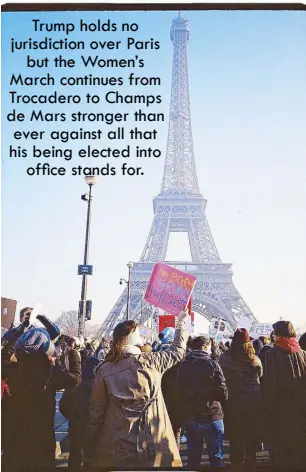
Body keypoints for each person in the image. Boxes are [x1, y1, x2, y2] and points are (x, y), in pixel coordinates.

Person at [83, 310, 189, 468]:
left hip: (117, 443)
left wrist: (90, 445)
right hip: (154, 441)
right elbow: (177, 351)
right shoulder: (153, 361)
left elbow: (96, 412)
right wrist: (182, 324)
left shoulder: (105, 369)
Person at [2, 327, 81, 472]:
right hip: (41, 440)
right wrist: (72, 352)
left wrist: (20, 332)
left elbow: (4, 354)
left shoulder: (10, 368)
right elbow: (75, 379)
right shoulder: (50, 371)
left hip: (14, 438)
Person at [177, 336, 228, 468]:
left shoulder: (184, 364)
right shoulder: (213, 364)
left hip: (192, 416)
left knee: (193, 460)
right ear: (205, 347)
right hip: (213, 415)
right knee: (216, 459)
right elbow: (223, 391)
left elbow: (179, 389)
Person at [263, 321, 306, 471]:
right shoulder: (301, 352)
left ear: (279, 334)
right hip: (300, 405)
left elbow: (271, 384)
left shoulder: (272, 353)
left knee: (282, 442)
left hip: (281, 405)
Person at [219, 328, 263, 470]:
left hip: (234, 401)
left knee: (236, 436)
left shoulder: (225, 358)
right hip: (253, 401)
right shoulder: (255, 360)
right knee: (251, 433)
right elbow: (261, 376)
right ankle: (251, 461)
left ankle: (236, 462)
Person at [60, 355, 100, 471]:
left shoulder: (75, 383)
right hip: (94, 426)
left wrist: (73, 417)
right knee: (92, 456)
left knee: (74, 456)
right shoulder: (100, 385)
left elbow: (63, 406)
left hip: (76, 425)